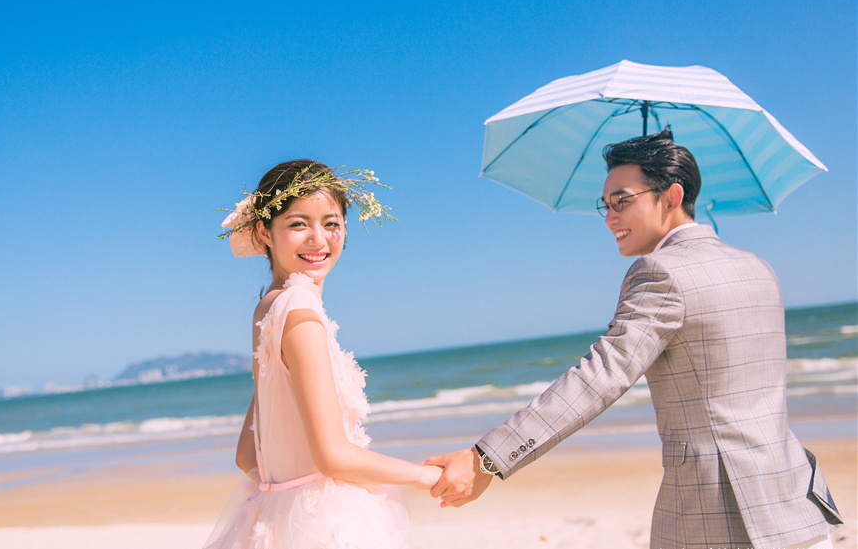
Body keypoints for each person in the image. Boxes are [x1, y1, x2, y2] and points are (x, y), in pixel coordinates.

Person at [427, 128, 843, 549]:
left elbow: (601, 376)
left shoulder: (660, 271)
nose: (610, 218)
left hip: (721, 516)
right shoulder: (759, 267)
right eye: (605, 205)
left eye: (622, 201)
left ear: (672, 196)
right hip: (798, 503)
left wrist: (487, 459)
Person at [206, 159, 441, 549]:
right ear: (264, 231)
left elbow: (247, 456)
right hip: (324, 527)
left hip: (280, 521)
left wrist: (286, 498)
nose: (318, 239)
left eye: (331, 223)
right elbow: (332, 456)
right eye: (298, 224)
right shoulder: (299, 311)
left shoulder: (268, 308)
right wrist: (424, 475)